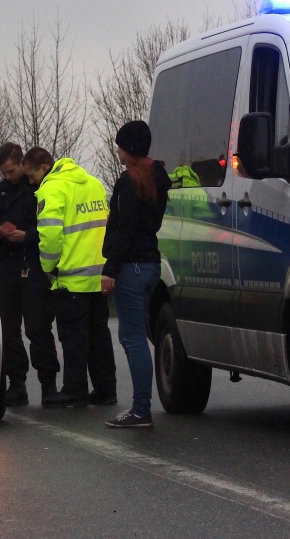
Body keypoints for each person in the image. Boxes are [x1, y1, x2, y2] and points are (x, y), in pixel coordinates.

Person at [23, 146, 117, 408]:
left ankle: (74, 390)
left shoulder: (52, 188)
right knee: (99, 334)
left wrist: (48, 267)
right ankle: (106, 389)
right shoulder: (93, 183)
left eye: (31, 177)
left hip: (71, 276)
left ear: (43, 168)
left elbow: (50, 235)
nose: (31, 183)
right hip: (99, 275)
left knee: (74, 337)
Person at [0, 142, 60, 407]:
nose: (8, 176)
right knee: (8, 330)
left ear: (21, 163)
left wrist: (27, 236)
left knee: (38, 328)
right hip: (5, 268)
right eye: (3, 173)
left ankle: (49, 385)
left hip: (33, 265)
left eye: (11, 171)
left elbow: (52, 227)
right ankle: (17, 384)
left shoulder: (40, 189)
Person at [100, 120, 171, 429]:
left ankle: (141, 410)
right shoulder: (156, 179)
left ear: (127, 148)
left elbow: (125, 230)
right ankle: (141, 407)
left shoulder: (129, 183)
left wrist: (110, 269)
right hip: (151, 265)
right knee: (133, 336)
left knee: (134, 338)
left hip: (131, 267)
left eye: (119, 145)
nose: (116, 150)